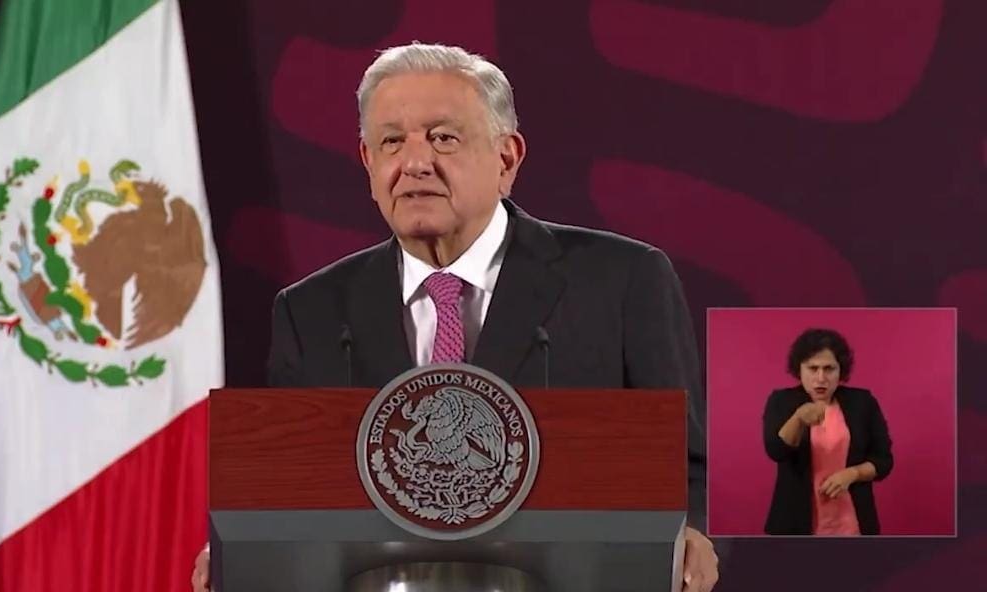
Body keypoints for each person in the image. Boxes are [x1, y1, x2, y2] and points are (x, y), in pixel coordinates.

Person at [194, 42, 717, 591]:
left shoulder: (621, 280)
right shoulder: (311, 311)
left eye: (443, 137)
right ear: (369, 162)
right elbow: (290, 492)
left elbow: (687, 464)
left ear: (506, 159)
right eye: (392, 142)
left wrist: (695, 535)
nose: (415, 162)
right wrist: (243, 547)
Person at [762, 328, 894, 535]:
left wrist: (852, 474)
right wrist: (798, 419)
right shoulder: (781, 401)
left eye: (829, 369)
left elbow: (884, 460)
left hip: (852, 523)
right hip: (796, 524)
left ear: (841, 370)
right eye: (812, 368)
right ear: (799, 369)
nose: (821, 377)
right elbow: (776, 451)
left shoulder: (863, 402)